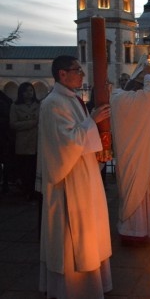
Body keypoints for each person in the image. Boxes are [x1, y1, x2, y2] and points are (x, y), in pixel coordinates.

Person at [36, 55, 112, 298]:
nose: (82, 74)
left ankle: (92, 283)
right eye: (76, 70)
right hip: (68, 181)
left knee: (90, 230)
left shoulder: (71, 100)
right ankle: (74, 288)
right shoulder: (53, 103)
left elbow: (80, 136)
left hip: (83, 174)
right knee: (73, 234)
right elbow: (64, 144)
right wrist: (92, 121)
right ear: (62, 74)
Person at [110, 64, 150, 245]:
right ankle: (137, 232)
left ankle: (129, 229)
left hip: (126, 155)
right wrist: (149, 75)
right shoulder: (141, 99)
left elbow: (136, 119)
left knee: (128, 191)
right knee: (138, 190)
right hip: (138, 154)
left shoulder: (117, 98)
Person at [9, 82, 40, 200]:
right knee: (24, 168)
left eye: (31, 90)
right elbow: (13, 124)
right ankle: (26, 190)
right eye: (26, 91)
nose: (29, 93)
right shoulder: (15, 106)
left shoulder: (39, 105)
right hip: (23, 142)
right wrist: (31, 123)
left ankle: (33, 191)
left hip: (36, 141)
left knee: (34, 168)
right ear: (21, 93)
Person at [0, 90, 13, 194]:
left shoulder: (5, 100)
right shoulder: (6, 100)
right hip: (5, 136)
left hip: (3, 135)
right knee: (5, 161)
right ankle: (5, 183)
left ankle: (5, 183)